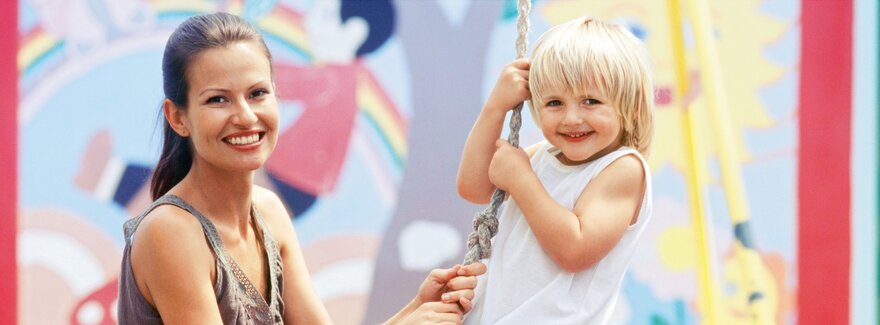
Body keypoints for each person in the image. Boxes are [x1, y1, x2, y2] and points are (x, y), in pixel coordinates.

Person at [118, 12, 483, 324]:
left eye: (258, 93)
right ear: (178, 117)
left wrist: (418, 308)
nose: (245, 116)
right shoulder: (171, 232)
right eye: (218, 100)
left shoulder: (269, 211)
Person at [457, 17, 654, 324]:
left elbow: (574, 250)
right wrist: (495, 108)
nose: (572, 117)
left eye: (590, 101)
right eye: (554, 103)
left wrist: (521, 180)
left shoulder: (623, 169)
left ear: (630, 107)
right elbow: (474, 187)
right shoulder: (544, 158)